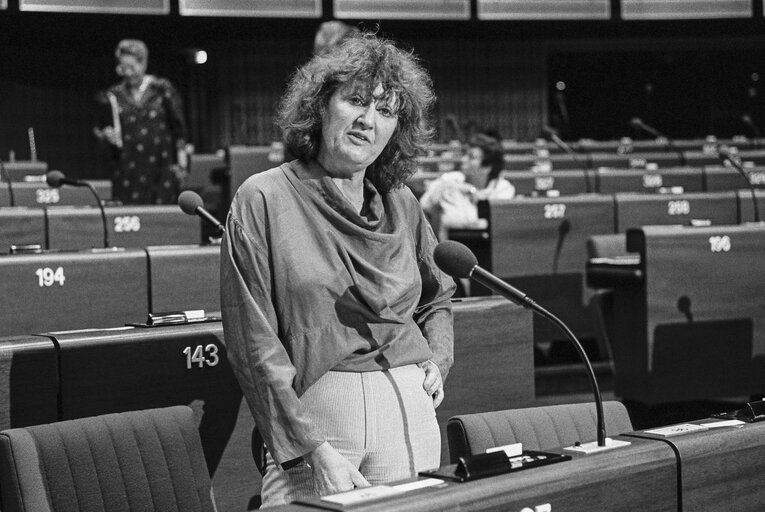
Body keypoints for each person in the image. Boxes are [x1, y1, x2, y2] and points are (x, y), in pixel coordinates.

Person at [220, 33, 456, 507]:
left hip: (410, 419)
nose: (369, 122)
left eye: (386, 112)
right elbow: (254, 345)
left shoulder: (402, 203)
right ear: (321, 105)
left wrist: (439, 356)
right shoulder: (263, 198)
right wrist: (313, 448)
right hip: (320, 431)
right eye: (355, 102)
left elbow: (438, 295)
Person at [94, 39, 187, 205]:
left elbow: (179, 129)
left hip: (161, 169)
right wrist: (106, 136)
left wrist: (182, 163)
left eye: (132, 67)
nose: (127, 73)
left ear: (143, 63)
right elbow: (101, 133)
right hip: (127, 172)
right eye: (123, 67)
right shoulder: (113, 95)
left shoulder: (162, 89)